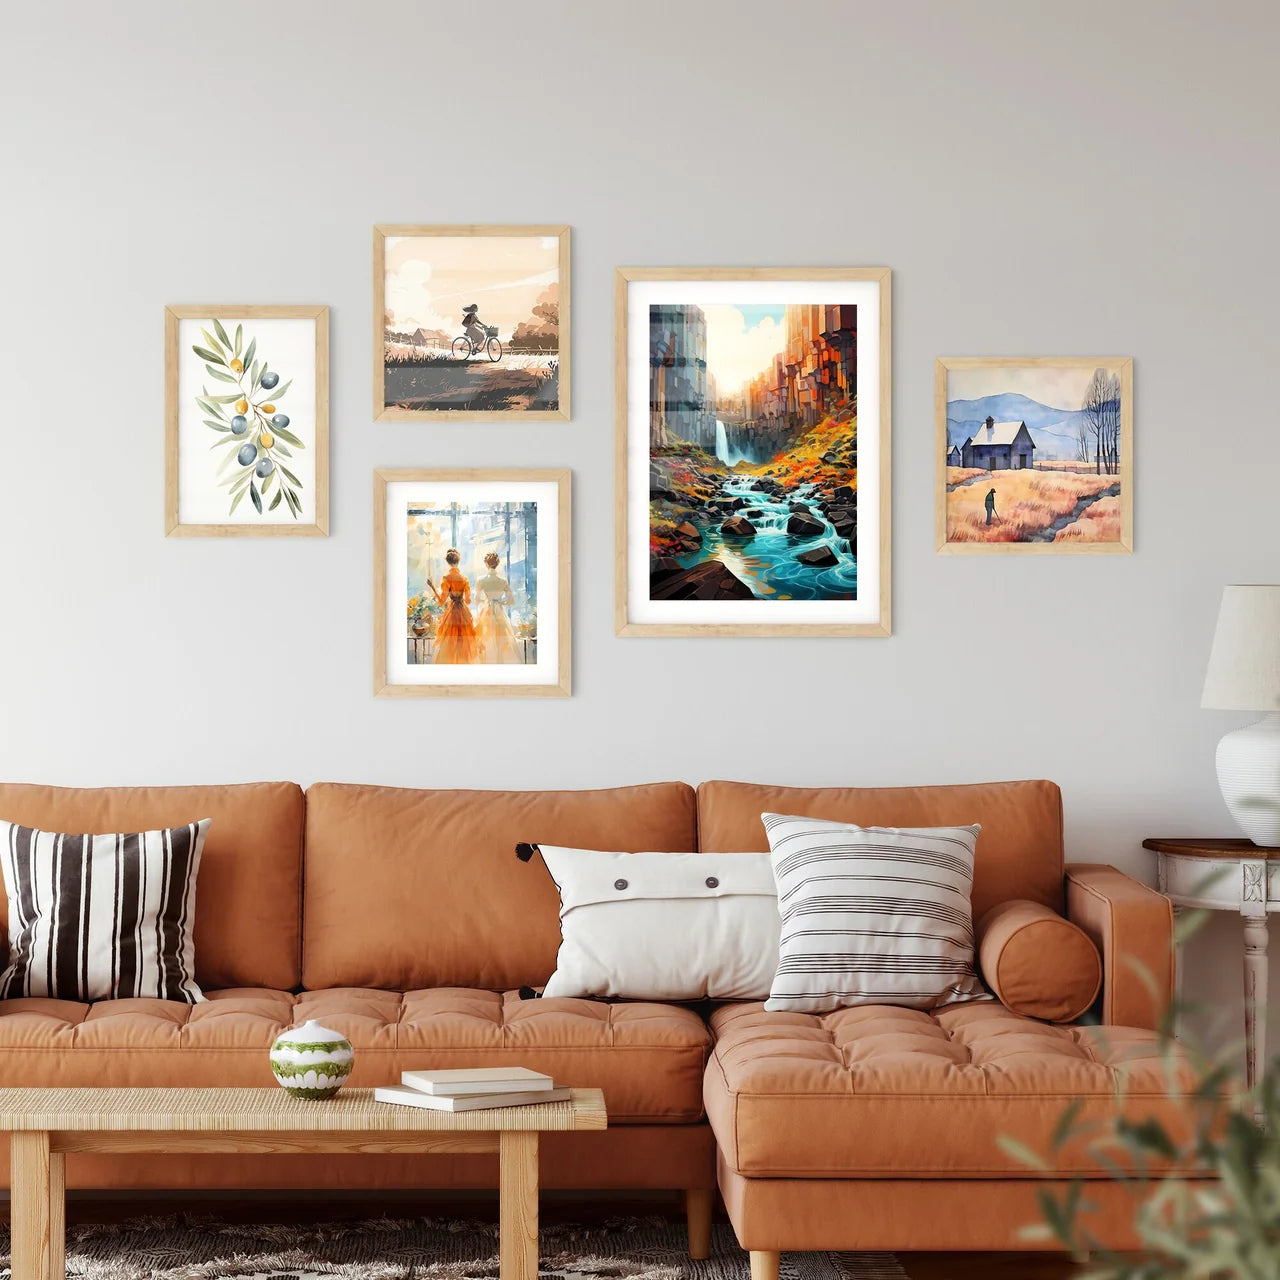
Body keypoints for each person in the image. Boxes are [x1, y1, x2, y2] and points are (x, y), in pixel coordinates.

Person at [426, 549, 477, 664]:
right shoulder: (464, 578)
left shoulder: (446, 578)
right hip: (463, 612)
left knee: (449, 644)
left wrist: (432, 587)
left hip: (452, 613)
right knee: (464, 644)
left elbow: (441, 602)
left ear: (448, 562)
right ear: (458, 561)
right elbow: (468, 601)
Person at [474, 552, 522, 664]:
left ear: (486, 564)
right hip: (499, 611)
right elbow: (511, 601)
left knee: (486, 638)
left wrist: (486, 601)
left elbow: (476, 600)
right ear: (497, 564)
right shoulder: (503, 581)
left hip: (486, 610)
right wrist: (500, 602)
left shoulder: (481, 580)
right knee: (501, 639)